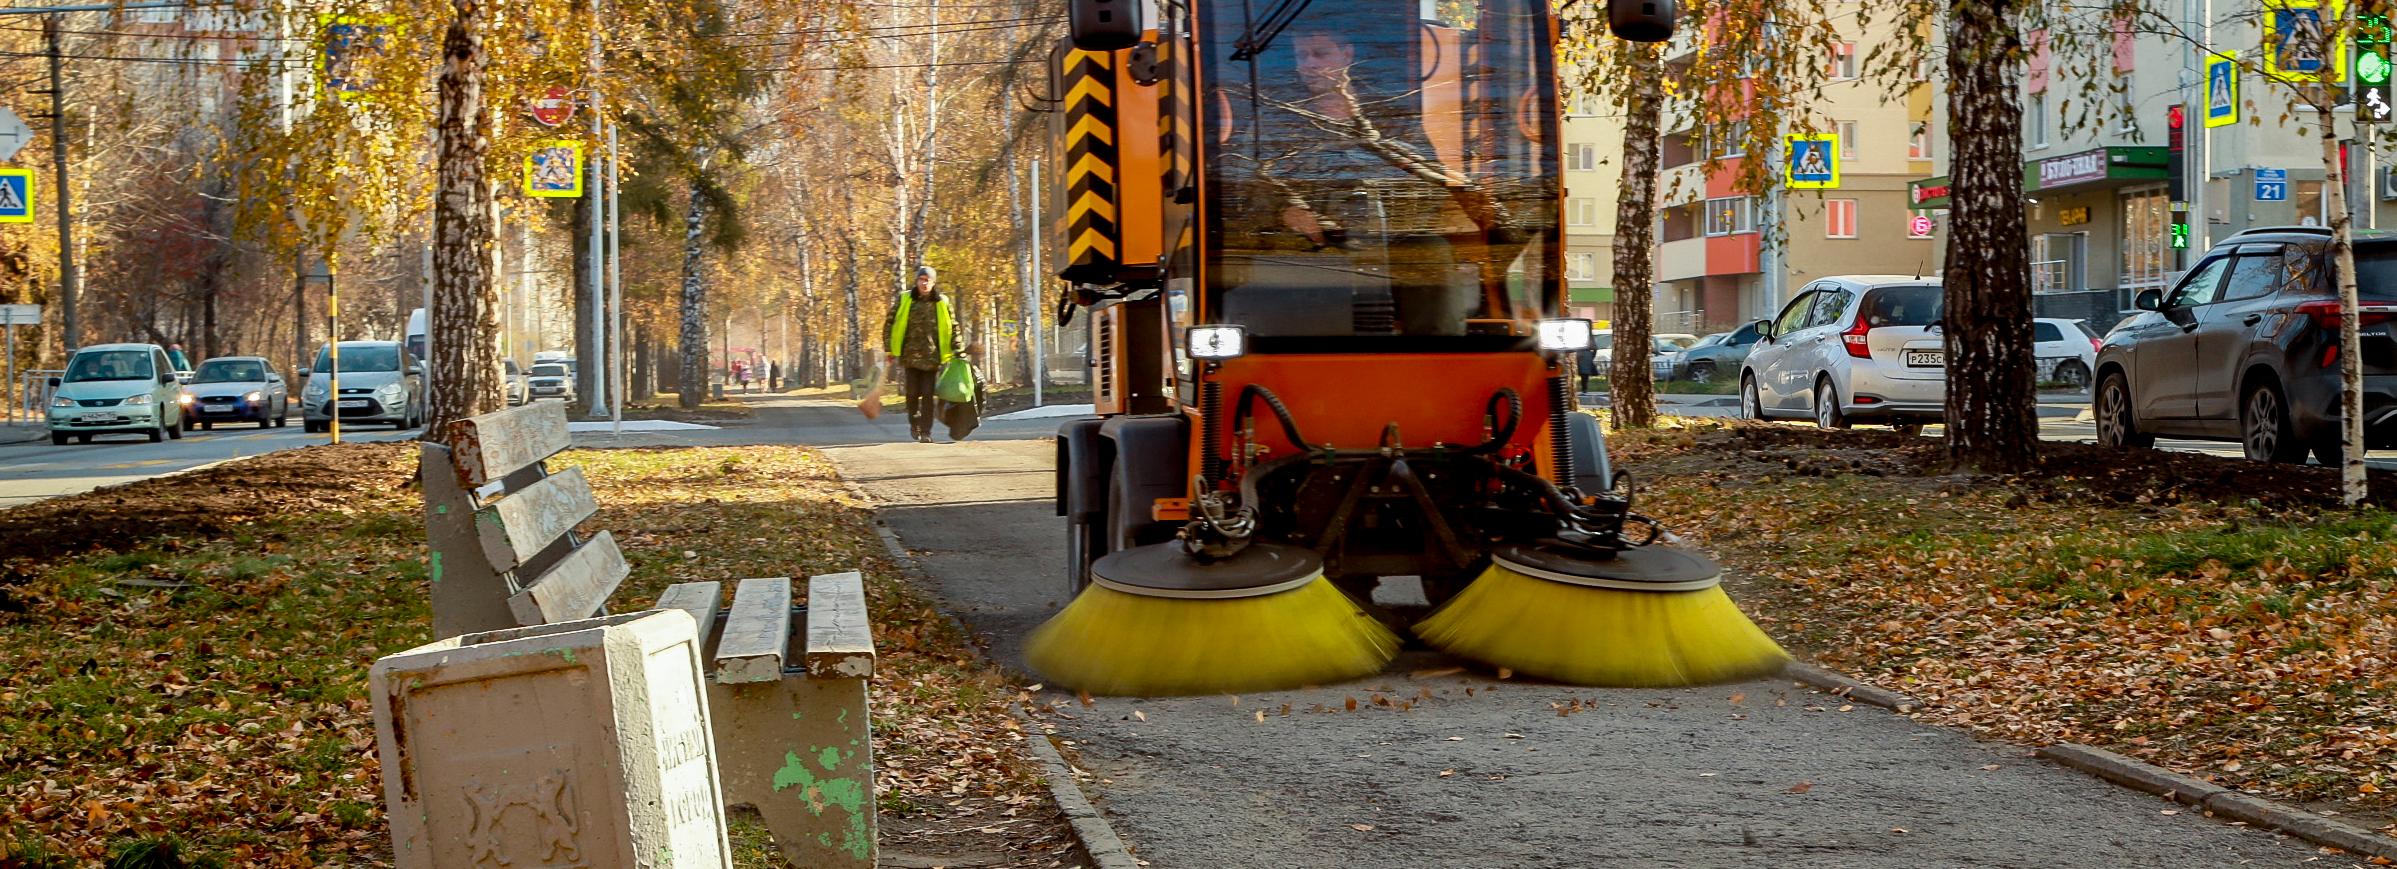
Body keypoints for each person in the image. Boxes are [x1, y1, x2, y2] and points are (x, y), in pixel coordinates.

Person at [882, 265, 962, 443]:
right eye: (921, 279)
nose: (924, 283)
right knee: (911, 394)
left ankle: (926, 432)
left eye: (928, 280)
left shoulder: (941, 302)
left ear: (933, 283)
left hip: (932, 357)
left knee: (927, 395)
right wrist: (889, 348)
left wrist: (958, 347)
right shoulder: (905, 299)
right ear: (916, 281)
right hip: (909, 356)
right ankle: (914, 422)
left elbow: (953, 326)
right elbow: (890, 322)